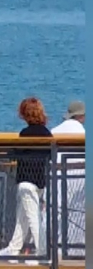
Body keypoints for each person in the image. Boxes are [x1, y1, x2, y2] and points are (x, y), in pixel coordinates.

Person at [0, 97, 52, 257]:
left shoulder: (25, 134)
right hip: (40, 182)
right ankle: (14, 248)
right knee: (23, 217)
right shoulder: (47, 134)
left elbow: (16, 153)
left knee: (33, 218)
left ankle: (42, 252)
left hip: (26, 182)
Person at [51, 102, 85, 256]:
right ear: (81, 116)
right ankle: (75, 249)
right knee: (77, 214)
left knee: (53, 212)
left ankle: (51, 249)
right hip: (78, 178)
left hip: (55, 176)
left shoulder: (54, 131)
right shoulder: (81, 133)